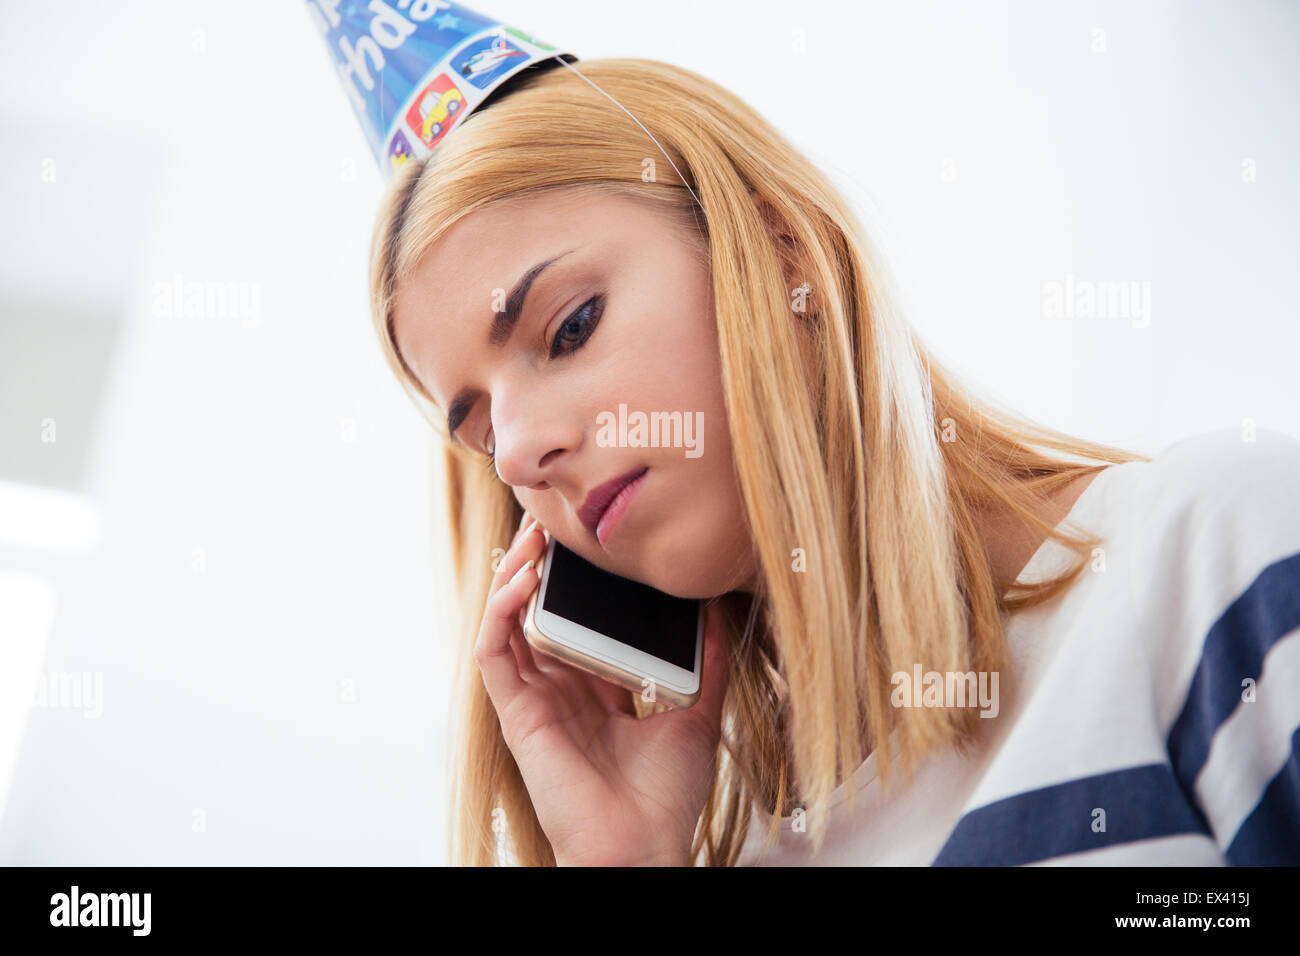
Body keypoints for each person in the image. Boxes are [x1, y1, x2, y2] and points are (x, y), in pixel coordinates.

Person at [365, 58, 1300, 866]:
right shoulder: (710, 843)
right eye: (485, 438)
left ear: (777, 252)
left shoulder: (1213, 556)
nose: (522, 451)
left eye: (570, 327)